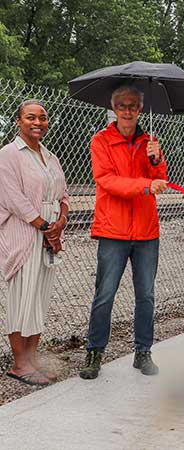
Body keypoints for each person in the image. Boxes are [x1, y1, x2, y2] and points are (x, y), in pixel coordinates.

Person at [80, 86, 168, 380]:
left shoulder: (150, 141)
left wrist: (156, 161)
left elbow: (160, 180)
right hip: (113, 230)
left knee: (146, 295)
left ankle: (143, 351)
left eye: (132, 105)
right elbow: (106, 180)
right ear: (113, 109)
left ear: (140, 109)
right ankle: (94, 351)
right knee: (105, 294)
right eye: (121, 105)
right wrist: (144, 185)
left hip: (146, 231)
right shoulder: (101, 140)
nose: (127, 111)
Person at [0, 100, 69, 386]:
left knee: (39, 299)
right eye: (30, 117)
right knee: (22, 298)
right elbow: (12, 198)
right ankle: (19, 364)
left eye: (42, 117)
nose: (38, 122)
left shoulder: (50, 157)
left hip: (51, 233)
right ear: (18, 121)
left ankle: (32, 359)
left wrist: (60, 222)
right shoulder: (9, 155)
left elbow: (63, 195)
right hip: (26, 234)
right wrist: (44, 226)